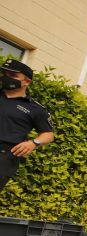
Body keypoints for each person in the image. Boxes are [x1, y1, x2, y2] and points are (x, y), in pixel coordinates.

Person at [0, 59, 54, 191]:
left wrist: (33, 143)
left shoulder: (35, 109)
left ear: (27, 81)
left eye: (13, 76)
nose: (7, 78)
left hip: (4, 157)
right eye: (5, 74)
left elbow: (48, 135)